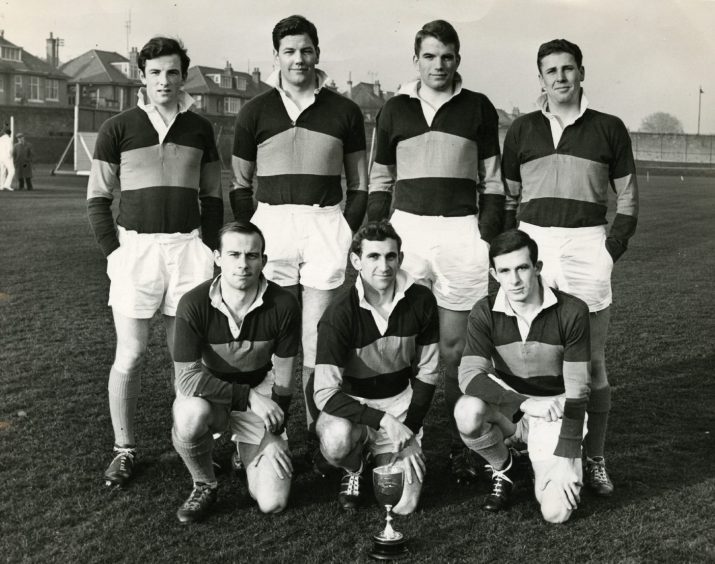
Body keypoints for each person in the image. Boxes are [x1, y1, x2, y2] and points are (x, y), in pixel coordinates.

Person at [367, 20, 505, 482]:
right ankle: (403, 439)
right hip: (409, 231)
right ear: (416, 60)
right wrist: (377, 229)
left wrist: (483, 234)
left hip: (462, 233)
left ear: (457, 60)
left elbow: (493, 182)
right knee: (402, 341)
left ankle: (462, 442)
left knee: (453, 349)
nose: (438, 65)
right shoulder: (394, 109)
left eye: (447, 56)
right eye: (429, 56)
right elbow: (380, 179)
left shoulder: (479, 107)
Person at [501, 39, 639, 496]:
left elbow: (629, 199)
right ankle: (519, 445)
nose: (560, 77)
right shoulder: (521, 129)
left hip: (586, 247)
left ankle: (594, 457)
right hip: (532, 244)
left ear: (582, 72)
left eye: (568, 69)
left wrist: (608, 250)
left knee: (592, 362)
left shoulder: (609, 128)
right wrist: (509, 248)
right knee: (522, 355)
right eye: (551, 71)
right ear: (539, 78)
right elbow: (508, 198)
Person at [87, 36, 223, 487]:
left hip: (187, 250)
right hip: (136, 250)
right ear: (141, 76)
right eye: (156, 72)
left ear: (184, 76)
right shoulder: (118, 127)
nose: (165, 80)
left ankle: (194, 443)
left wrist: (208, 247)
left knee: (186, 358)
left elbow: (212, 197)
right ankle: (124, 449)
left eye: (173, 72)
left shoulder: (201, 128)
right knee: (130, 353)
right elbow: (97, 199)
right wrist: (115, 253)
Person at [230, 15, 368, 451]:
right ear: (276, 57)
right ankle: (272, 430)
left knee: (317, 339)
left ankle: (318, 431)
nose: (299, 59)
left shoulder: (343, 110)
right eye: (289, 51)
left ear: (317, 54)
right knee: (276, 337)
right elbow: (239, 184)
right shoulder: (255, 110)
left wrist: (343, 230)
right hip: (272, 227)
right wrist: (254, 234)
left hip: (324, 223)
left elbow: (360, 184)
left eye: (306, 50)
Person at [455, 229, 591, 523]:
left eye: (522, 268)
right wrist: (523, 403)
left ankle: (550, 462)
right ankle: (504, 467)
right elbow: (468, 376)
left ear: (537, 268)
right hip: (513, 409)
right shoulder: (485, 311)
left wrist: (568, 457)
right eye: (504, 270)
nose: (514, 280)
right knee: (467, 411)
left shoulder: (572, 311)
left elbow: (578, 390)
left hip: (555, 411)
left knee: (556, 512)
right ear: (494, 273)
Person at [171, 221, 300, 523]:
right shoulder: (193, 303)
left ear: (263, 260)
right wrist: (249, 397)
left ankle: (246, 451)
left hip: (260, 390)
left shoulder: (284, 304)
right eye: (233, 254)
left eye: (252, 256)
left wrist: (273, 434)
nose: (243, 264)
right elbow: (187, 379)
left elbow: (283, 381)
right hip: (211, 395)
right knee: (189, 414)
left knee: (273, 502)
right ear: (217, 257)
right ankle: (204, 483)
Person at [313, 220, 440, 513]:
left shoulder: (421, 301)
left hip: (400, 406)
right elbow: (324, 393)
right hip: (352, 408)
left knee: (404, 506)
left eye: (390, 256)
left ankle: (383, 454)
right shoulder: (339, 313)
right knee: (335, 442)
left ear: (400, 258)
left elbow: (428, 372)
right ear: (356, 260)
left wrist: (408, 430)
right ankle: (354, 467)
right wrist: (382, 421)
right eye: (373, 256)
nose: (383, 265)